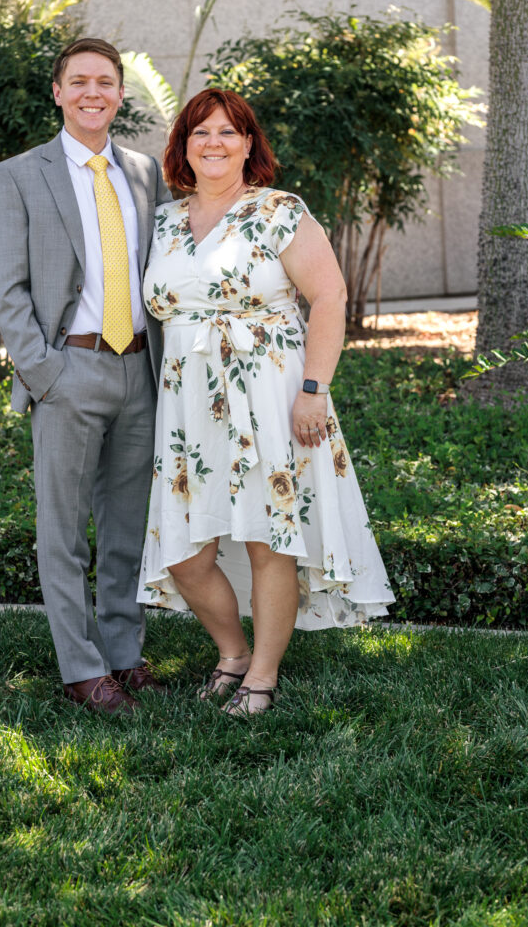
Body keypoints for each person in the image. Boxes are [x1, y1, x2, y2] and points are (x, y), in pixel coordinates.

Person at [137, 88, 395, 715]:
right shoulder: (165, 222)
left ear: (249, 144)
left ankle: (263, 674)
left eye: (229, 132)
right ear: (183, 147)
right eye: (201, 133)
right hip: (187, 404)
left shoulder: (279, 210)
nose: (215, 143)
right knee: (186, 551)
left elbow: (329, 297)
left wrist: (314, 389)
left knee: (267, 537)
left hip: (270, 393)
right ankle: (232, 650)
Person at [0, 38, 171, 715]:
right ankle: (80, 668)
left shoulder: (145, 172)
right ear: (58, 93)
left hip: (138, 373)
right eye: (79, 82)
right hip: (69, 370)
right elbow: (6, 287)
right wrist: (44, 373)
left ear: (120, 95)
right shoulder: (19, 175)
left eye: (106, 82)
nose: (93, 92)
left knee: (126, 530)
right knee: (61, 531)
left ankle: (123, 655)